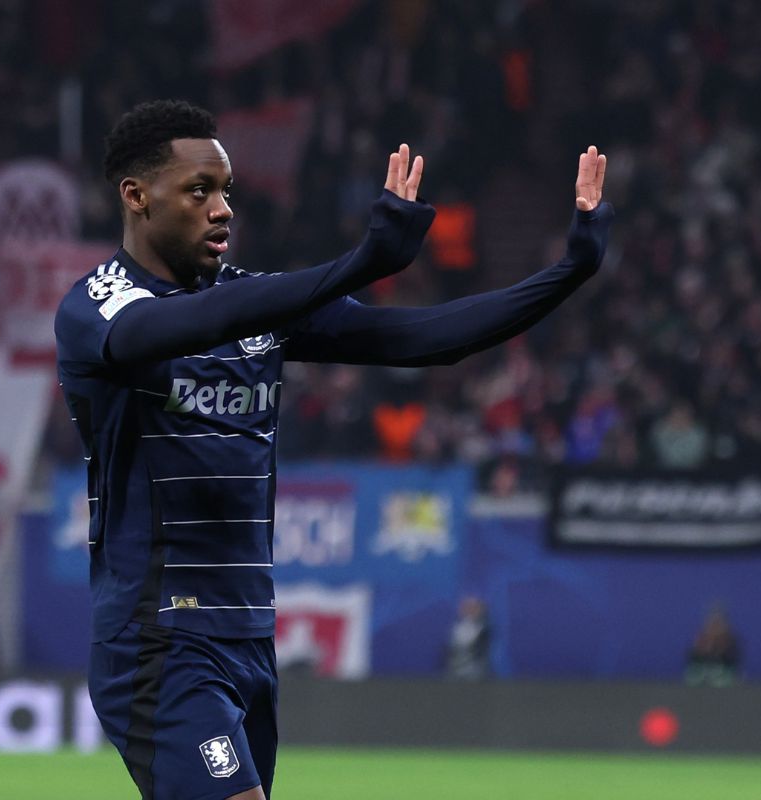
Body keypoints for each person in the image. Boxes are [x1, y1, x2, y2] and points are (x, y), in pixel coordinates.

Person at [55, 99, 612, 800]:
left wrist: (566, 273)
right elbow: (177, 327)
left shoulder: (256, 303)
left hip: (250, 637)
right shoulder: (97, 309)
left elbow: (427, 340)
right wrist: (363, 262)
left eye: (226, 190)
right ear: (136, 196)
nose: (222, 209)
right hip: (158, 639)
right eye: (200, 191)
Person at [444, 594, 492, 681]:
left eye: (474, 607)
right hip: (456, 673)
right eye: (467, 607)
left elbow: (478, 650)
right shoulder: (457, 628)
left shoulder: (483, 629)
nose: (470, 610)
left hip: (476, 674)